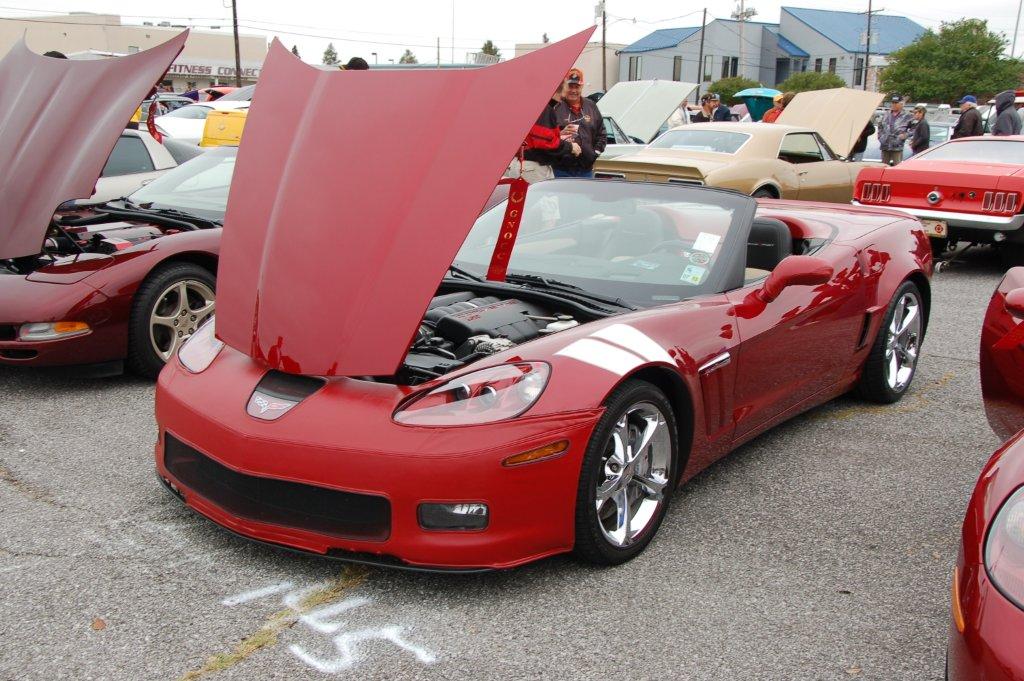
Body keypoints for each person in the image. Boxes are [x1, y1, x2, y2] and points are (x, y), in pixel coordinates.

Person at [507, 81, 581, 184]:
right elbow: (545, 143)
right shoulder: (544, 109)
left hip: (525, 165)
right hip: (533, 168)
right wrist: (571, 147)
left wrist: (559, 135)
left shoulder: (534, 105)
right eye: (567, 85)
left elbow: (537, 136)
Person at [552, 68, 606, 178]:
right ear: (565, 87)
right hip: (560, 169)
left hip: (586, 170)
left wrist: (595, 153)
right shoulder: (555, 106)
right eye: (570, 86)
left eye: (576, 87)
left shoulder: (591, 106)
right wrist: (560, 134)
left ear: (581, 87)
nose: (573, 90)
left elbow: (602, 134)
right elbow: (548, 136)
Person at [877, 95, 912, 165]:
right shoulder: (886, 114)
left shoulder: (907, 115)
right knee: (883, 166)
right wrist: (880, 136)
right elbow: (880, 126)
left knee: (897, 166)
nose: (893, 104)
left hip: (897, 146)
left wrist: (905, 135)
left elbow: (915, 128)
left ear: (901, 104)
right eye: (892, 103)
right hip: (885, 145)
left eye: (896, 103)